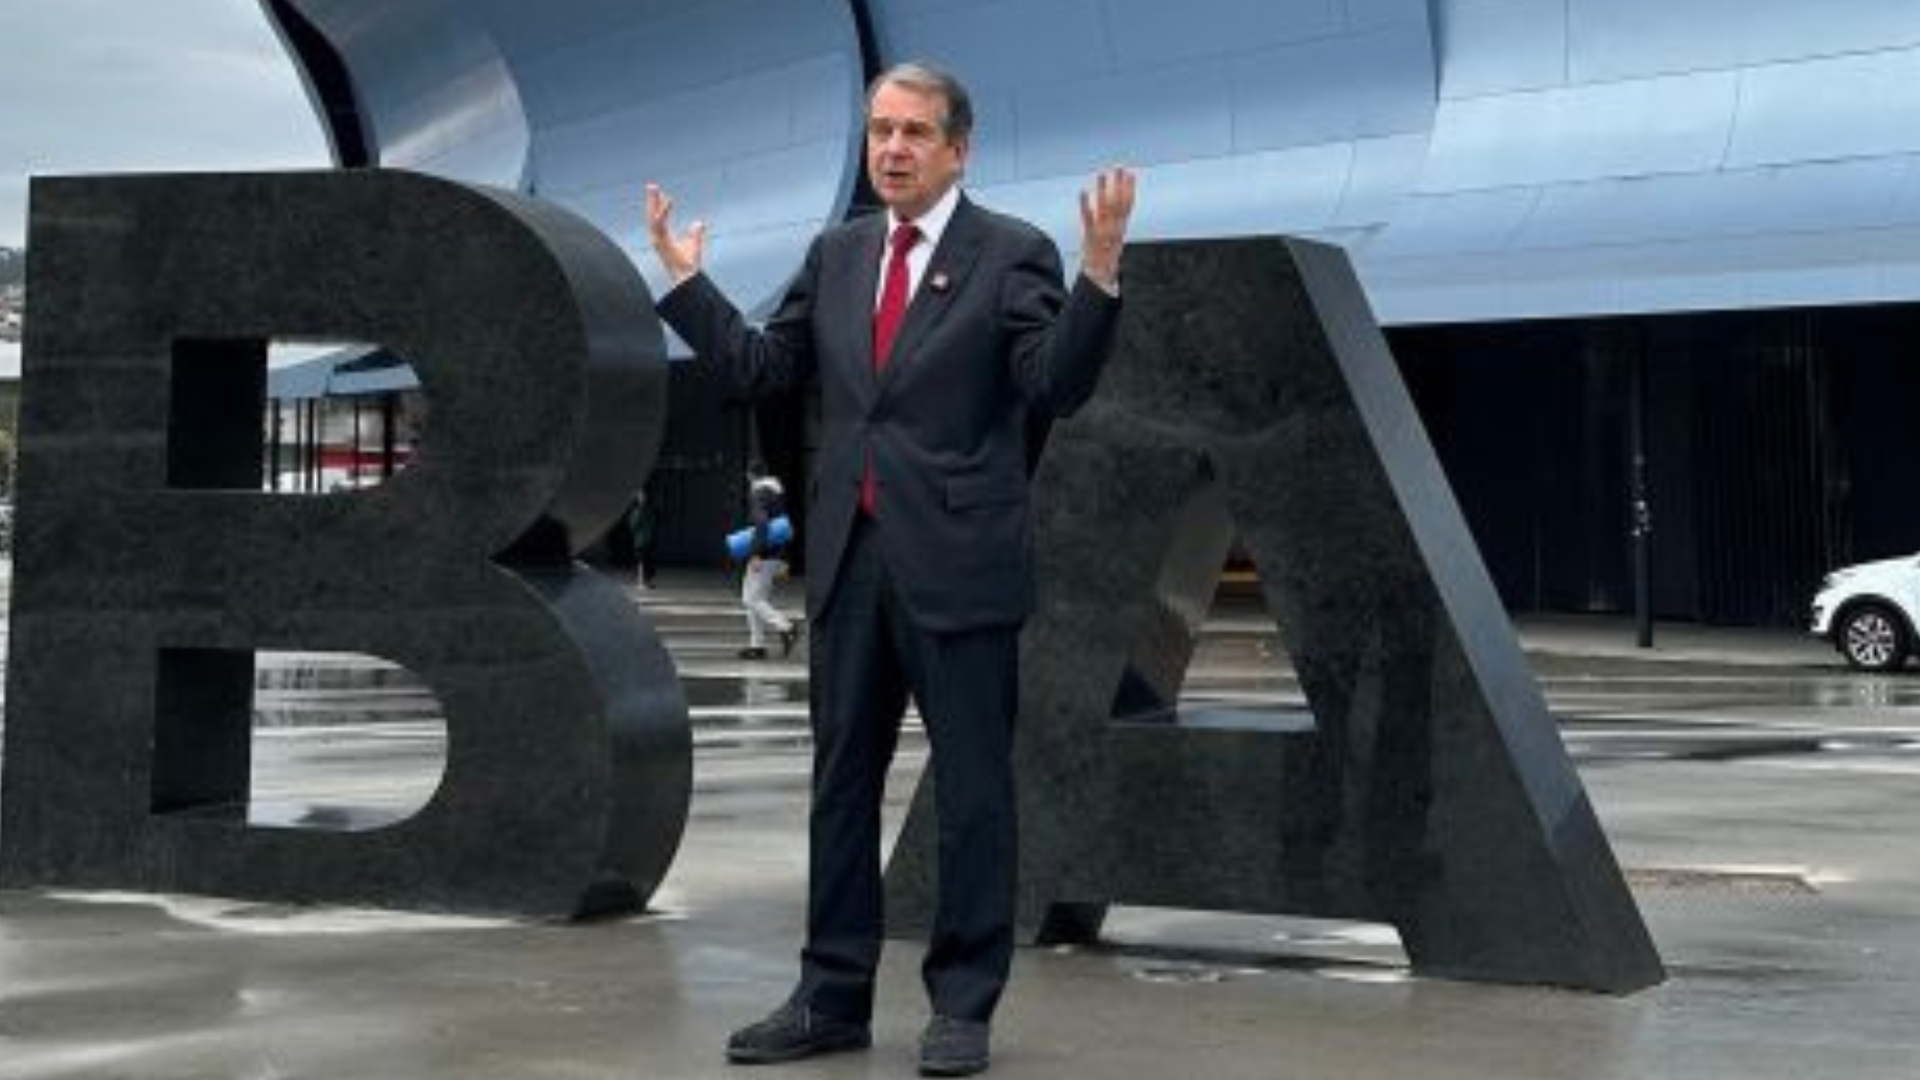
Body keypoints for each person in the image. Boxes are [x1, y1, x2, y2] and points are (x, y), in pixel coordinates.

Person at [646, 59, 1135, 1077]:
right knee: (839, 788)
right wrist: (687, 287)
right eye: (880, 131)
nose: (894, 151)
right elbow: (762, 371)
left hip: (961, 563)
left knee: (972, 795)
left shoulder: (1013, 253)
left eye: (915, 133)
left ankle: (961, 1005)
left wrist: (1098, 278)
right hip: (852, 565)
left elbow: (1057, 384)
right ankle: (829, 996)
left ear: (959, 148)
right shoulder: (836, 253)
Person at [737, 464, 800, 660]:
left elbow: (762, 523)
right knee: (755, 599)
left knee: (751, 599)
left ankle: (787, 627)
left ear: (750, 476)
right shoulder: (776, 493)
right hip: (775, 552)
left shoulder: (759, 494)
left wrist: (755, 553)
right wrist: (784, 557)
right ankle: (757, 646)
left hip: (763, 554)